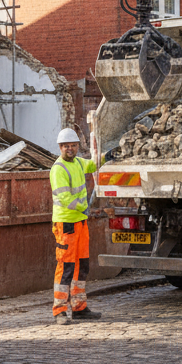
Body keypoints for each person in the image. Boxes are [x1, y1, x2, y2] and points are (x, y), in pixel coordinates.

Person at [50, 127, 104, 324]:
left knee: (82, 266)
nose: (69, 149)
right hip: (66, 225)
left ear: (77, 147)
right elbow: (64, 198)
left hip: (80, 223)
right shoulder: (58, 169)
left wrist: (108, 156)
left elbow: (93, 164)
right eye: (66, 146)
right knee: (65, 267)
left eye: (73, 145)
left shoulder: (79, 163)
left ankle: (79, 307)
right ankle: (60, 311)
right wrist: (86, 206)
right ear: (60, 148)